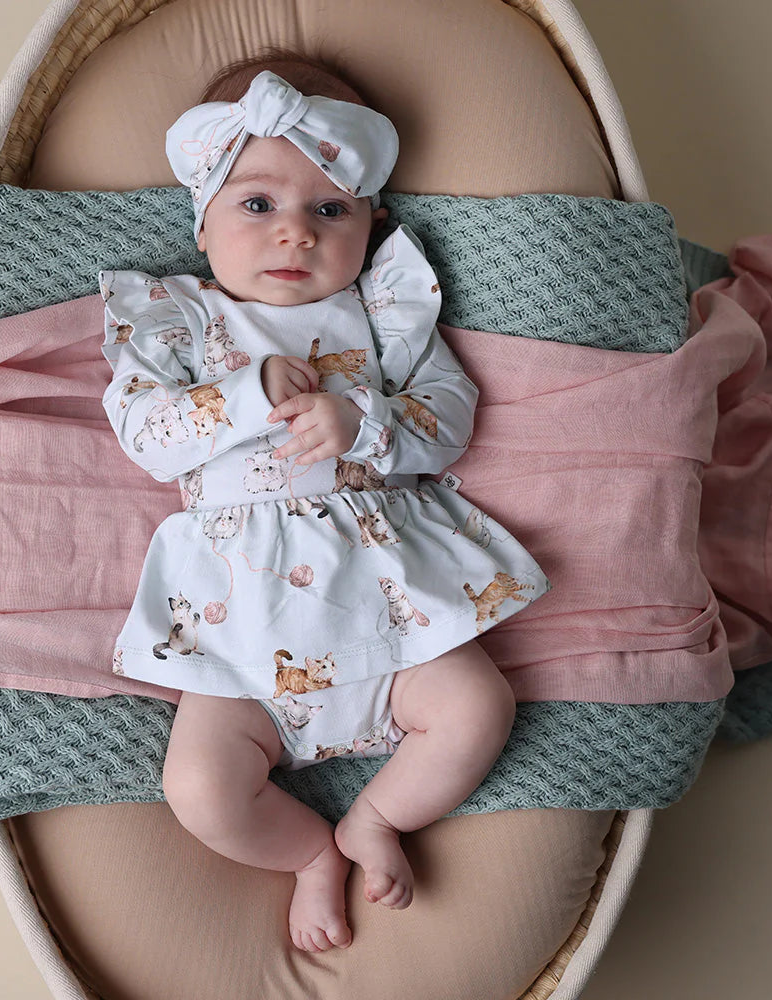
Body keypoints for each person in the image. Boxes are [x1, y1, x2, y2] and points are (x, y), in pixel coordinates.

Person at [99, 56, 550, 953]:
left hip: (392, 613)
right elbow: (146, 436)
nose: (295, 233)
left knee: (477, 707)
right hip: (241, 636)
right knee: (200, 789)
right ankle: (309, 853)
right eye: (257, 203)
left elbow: (449, 420)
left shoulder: (383, 312)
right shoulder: (179, 321)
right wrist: (244, 395)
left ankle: (376, 819)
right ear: (202, 224)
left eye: (330, 210)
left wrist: (365, 423)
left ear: (371, 220)